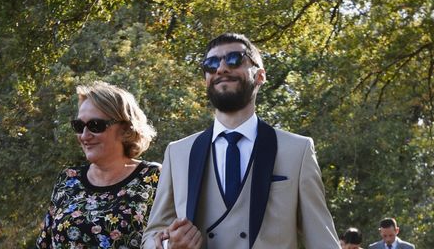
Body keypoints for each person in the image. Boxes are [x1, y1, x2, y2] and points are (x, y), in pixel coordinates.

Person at [142, 32, 340, 248]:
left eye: (235, 59)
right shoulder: (178, 152)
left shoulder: (297, 150)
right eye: (211, 63)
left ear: (260, 76)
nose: (222, 68)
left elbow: (321, 238)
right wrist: (169, 245)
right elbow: (152, 235)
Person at [36, 81, 161, 248]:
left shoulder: (153, 178)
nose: (85, 136)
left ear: (125, 129)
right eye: (79, 126)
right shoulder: (68, 179)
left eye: (95, 125)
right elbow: (45, 243)